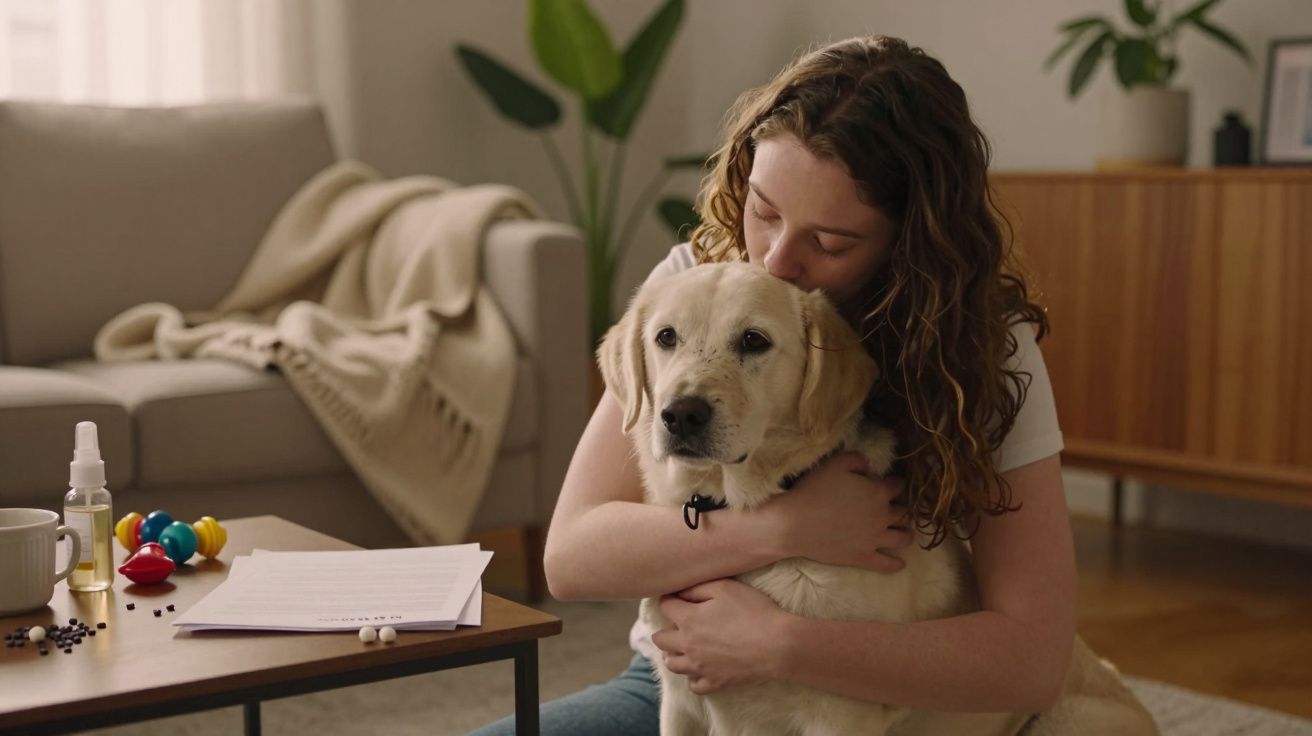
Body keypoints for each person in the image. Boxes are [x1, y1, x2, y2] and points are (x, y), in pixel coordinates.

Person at [471, 34, 1072, 735]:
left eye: (831, 242)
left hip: (873, 691)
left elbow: (1032, 661)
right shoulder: (693, 290)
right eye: (763, 210)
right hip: (686, 676)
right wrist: (784, 527)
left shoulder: (983, 347)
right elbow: (574, 559)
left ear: (907, 245)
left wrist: (781, 646)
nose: (778, 261)